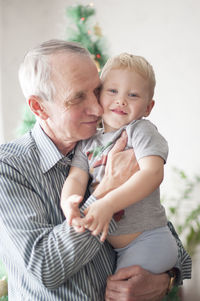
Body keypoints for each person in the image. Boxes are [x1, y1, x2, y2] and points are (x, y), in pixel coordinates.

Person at [0, 40, 191, 301]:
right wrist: (107, 190)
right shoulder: (8, 168)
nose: (99, 108)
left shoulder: (110, 141)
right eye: (78, 97)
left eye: (97, 91)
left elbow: (158, 226)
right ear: (38, 107)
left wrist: (166, 278)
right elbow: (46, 268)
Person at [61, 52, 178, 275]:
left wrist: (108, 204)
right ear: (98, 96)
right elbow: (76, 176)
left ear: (148, 108)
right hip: (121, 250)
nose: (121, 100)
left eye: (133, 95)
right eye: (112, 91)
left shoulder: (139, 131)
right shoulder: (87, 141)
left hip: (148, 240)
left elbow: (152, 174)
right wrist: (68, 204)